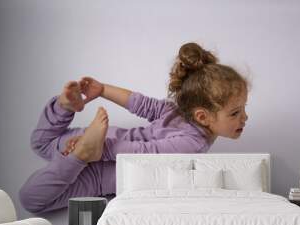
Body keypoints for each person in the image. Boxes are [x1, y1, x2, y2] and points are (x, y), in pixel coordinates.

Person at [19, 42, 250, 213]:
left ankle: (64, 108)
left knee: (40, 143)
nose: (244, 118)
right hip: (103, 169)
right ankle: (80, 154)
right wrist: (96, 150)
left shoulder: (175, 111)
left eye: (243, 109)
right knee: (31, 200)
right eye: (235, 112)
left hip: (100, 143)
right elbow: (142, 155)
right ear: (203, 116)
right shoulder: (193, 144)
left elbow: (140, 104)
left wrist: (103, 90)